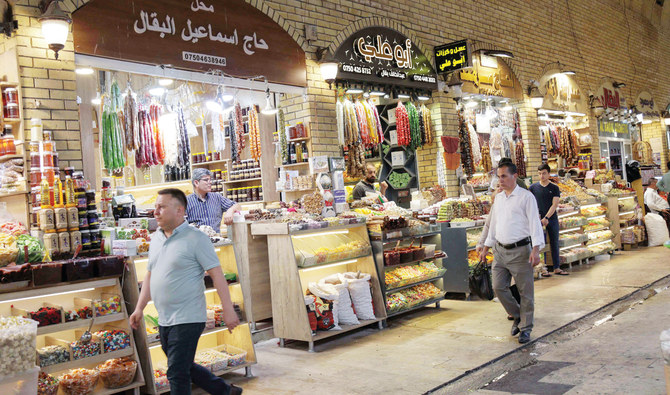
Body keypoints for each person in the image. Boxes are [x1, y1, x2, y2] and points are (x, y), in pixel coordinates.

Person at [130, 189, 242, 395]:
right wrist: (139, 308)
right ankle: (225, 391)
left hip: (188, 316)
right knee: (183, 365)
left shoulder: (196, 238)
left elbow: (217, 275)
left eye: (162, 207)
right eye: (156, 207)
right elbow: (150, 275)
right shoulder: (155, 239)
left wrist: (228, 310)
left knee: (176, 372)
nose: (156, 212)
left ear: (180, 210)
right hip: (164, 318)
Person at [479, 161, 545, 344]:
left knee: (526, 292)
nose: (500, 180)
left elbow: (534, 223)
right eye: (498, 176)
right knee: (498, 287)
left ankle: (526, 328)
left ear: (514, 176)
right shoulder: (499, 199)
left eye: (504, 176)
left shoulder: (526, 197)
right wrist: (485, 246)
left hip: (520, 251)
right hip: (499, 250)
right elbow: (494, 225)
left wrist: (536, 249)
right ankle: (516, 315)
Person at [529, 164, 568, 276]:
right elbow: (531, 204)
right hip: (538, 219)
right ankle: (542, 268)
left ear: (549, 174)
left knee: (554, 242)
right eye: (540, 173)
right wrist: (537, 217)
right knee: (539, 244)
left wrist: (546, 217)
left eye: (544, 173)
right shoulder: (533, 188)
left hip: (551, 218)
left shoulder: (554, 188)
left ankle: (556, 267)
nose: (542, 176)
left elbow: (554, 204)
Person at [186, 168, 241, 233]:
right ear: (196, 183)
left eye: (210, 180)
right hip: (196, 241)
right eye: (206, 180)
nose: (210, 182)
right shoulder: (186, 202)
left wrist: (230, 210)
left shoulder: (217, 197)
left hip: (216, 240)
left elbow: (238, 206)